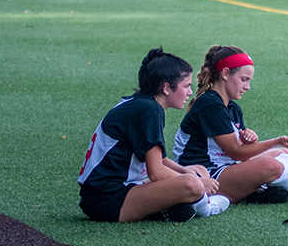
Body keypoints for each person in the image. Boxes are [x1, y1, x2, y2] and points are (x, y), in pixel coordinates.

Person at [78, 48, 227, 223]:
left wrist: (186, 171)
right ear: (166, 88)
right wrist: (198, 183)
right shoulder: (149, 110)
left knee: (198, 170)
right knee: (191, 184)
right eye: (186, 86)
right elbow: (156, 172)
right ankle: (206, 206)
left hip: (117, 190)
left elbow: (160, 160)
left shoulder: (141, 104)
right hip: (108, 200)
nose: (189, 92)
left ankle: (167, 209)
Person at [173, 45, 288, 205]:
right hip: (204, 175)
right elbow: (236, 153)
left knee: (283, 153)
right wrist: (275, 141)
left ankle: (256, 190)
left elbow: (243, 154)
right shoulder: (210, 104)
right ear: (225, 73)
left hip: (226, 167)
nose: (247, 87)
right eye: (244, 80)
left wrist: (248, 141)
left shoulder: (232, 107)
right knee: (271, 166)